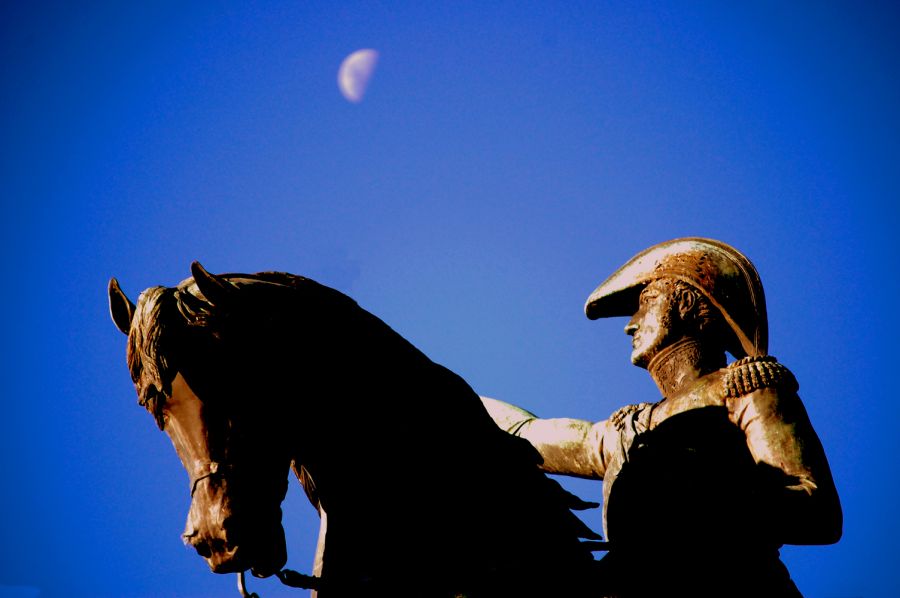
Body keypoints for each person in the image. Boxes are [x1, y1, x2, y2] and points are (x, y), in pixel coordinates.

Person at [482, 237, 842, 597]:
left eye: (644, 304)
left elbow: (818, 510)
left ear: (686, 303)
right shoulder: (631, 426)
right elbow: (524, 433)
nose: (630, 324)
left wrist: (705, 498)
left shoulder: (747, 385)